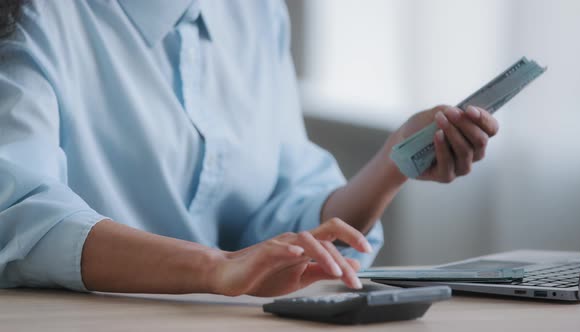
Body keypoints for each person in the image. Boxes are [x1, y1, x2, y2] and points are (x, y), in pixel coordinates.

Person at [0, 0, 498, 297]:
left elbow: (280, 217)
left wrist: (393, 163)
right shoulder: (33, 17)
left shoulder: (254, 12)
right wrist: (215, 268)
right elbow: (19, 217)